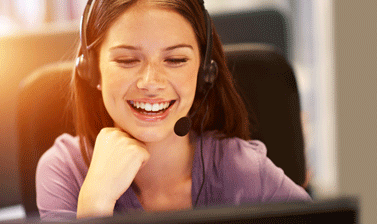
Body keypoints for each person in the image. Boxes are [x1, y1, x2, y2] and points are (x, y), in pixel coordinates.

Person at [35, 0, 311, 221]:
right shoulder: (65, 170)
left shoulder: (243, 170)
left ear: (205, 73)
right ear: (92, 70)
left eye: (176, 59)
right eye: (127, 60)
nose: (151, 83)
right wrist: (96, 202)